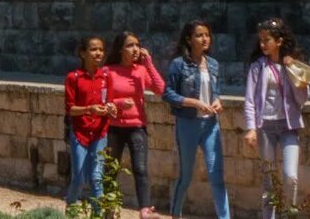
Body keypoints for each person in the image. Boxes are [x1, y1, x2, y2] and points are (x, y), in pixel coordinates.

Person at [242, 17, 310, 219]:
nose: (263, 44)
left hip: (288, 126)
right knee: (269, 179)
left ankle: (288, 215)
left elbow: (302, 99)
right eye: (261, 40)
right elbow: (249, 100)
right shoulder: (258, 67)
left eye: (267, 40)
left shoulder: (292, 65)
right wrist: (251, 128)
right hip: (266, 127)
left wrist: (295, 74)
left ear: (279, 41)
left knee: (291, 177)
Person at [164, 19, 231, 219]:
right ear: (189, 39)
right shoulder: (178, 64)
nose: (204, 39)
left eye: (207, 35)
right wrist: (193, 102)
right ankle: (176, 214)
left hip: (211, 124)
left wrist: (217, 100)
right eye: (199, 35)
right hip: (188, 124)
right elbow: (168, 94)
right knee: (186, 175)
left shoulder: (213, 64)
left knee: (217, 175)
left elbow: (214, 91)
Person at [107, 32, 166, 217]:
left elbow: (160, 89)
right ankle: (108, 207)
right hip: (113, 127)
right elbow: (103, 99)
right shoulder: (108, 71)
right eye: (130, 45)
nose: (135, 49)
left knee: (140, 169)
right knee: (110, 169)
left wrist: (148, 63)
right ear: (120, 49)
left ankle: (145, 209)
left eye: (137, 45)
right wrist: (118, 104)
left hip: (137, 126)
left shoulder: (140, 70)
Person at [64, 35, 117, 205]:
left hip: (100, 132)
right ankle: (71, 209)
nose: (98, 53)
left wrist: (111, 109)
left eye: (101, 50)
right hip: (80, 132)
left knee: (96, 178)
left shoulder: (106, 78)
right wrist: (89, 110)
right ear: (82, 53)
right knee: (79, 177)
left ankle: (97, 214)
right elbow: (70, 109)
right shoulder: (74, 78)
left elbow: (109, 102)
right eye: (93, 49)